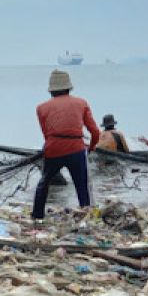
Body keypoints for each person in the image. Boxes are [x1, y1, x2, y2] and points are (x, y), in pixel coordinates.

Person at [32, 70, 99, 219]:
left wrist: (53, 146)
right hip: (76, 148)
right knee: (82, 186)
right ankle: (85, 216)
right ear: (68, 88)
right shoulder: (81, 103)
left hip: (53, 148)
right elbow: (95, 132)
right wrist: (92, 147)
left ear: (52, 91)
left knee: (44, 182)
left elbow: (46, 134)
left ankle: (37, 216)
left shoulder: (41, 108)